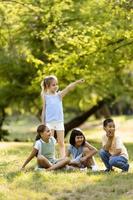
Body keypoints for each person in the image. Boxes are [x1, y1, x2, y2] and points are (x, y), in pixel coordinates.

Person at [41, 75, 84, 158]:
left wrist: (77, 82)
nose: (56, 86)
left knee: (61, 142)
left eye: (56, 84)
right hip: (49, 122)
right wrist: (43, 123)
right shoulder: (45, 96)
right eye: (53, 85)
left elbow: (68, 88)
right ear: (47, 86)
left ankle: (63, 160)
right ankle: (51, 159)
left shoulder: (59, 95)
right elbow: (44, 110)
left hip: (59, 122)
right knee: (51, 142)